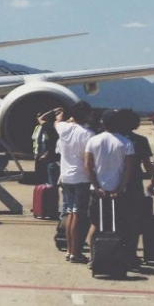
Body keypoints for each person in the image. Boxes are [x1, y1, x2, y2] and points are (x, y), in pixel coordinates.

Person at [84, 110, 137, 268]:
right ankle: (116, 257)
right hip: (117, 191)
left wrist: (96, 186)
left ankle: (93, 258)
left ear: (103, 123)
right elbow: (129, 169)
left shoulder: (93, 141)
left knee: (95, 224)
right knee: (118, 225)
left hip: (97, 190)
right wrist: (121, 188)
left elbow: (88, 166)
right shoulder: (126, 143)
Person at [55, 101, 95, 264]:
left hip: (66, 177)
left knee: (71, 214)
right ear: (87, 115)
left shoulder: (63, 128)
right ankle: (76, 252)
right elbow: (89, 160)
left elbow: (56, 121)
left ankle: (70, 250)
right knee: (79, 215)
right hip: (81, 178)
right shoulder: (88, 134)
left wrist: (60, 114)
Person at [120, 109, 154, 268]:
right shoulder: (140, 141)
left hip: (115, 182)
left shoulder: (114, 139)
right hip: (134, 183)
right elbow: (147, 165)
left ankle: (117, 251)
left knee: (117, 219)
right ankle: (131, 254)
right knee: (134, 221)